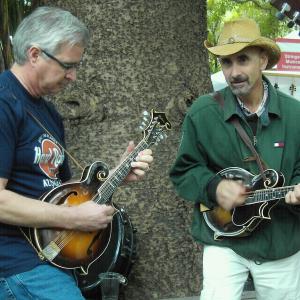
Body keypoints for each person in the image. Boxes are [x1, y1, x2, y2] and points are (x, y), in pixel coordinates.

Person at [0, 6, 153, 300]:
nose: (73, 77)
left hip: (54, 260)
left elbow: (66, 193)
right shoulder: (5, 104)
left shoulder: (49, 114)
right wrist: (74, 220)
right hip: (18, 266)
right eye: (67, 65)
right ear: (34, 55)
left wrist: (116, 176)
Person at [170, 18, 300, 300]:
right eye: (226, 62)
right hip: (223, 237)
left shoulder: (295, 115)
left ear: (263, 60)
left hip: (280, 240)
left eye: (243, 60)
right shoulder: (203, 112)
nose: (234, 72)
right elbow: (185, 170)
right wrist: (214, 187)